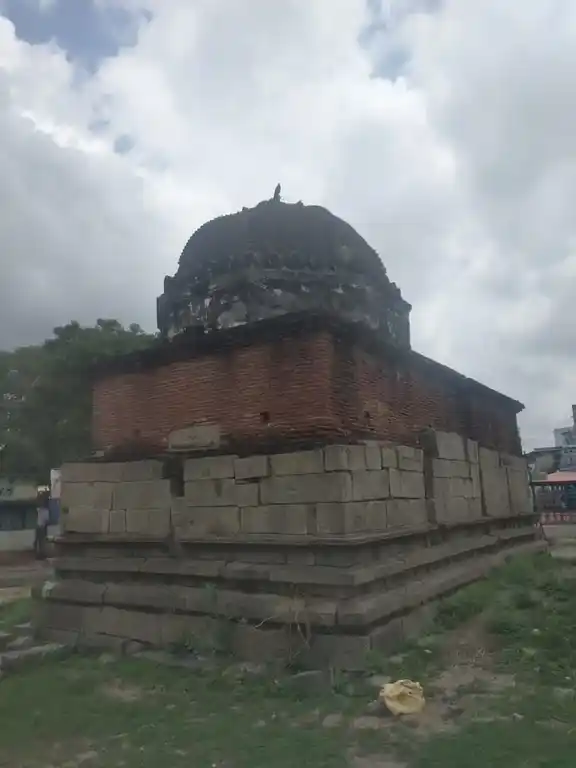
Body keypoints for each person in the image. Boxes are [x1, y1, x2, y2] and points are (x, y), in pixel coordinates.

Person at [34, 490, 50, 560]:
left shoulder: (40, 510)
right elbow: (47, 521)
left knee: (39, 542)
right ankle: (41, 554)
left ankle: (40, 554)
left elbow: (37, 501)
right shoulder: (44, 511)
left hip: (40, 527)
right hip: (42, 527)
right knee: (41, 542)